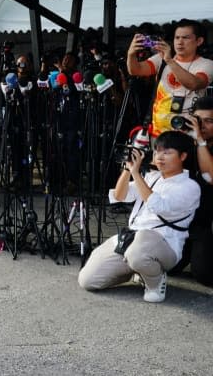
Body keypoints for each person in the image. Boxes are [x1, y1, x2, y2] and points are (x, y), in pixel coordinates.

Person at [78, 131, 200, 303]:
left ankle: (155, 282)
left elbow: (158, 207)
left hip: (165, 246)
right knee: (88, 280)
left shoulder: (190, 187)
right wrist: (128, 169)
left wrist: (136, 173)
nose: (160, 157)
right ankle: (140, 271)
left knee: (141, 244)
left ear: (183, 156)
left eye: (167, 152)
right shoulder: (152, 177)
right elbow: (120, 196)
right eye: (157, 151)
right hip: (132, 239)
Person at [127, 19, 213, 136]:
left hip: (188, 133)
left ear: (199, 41)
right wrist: (131, 54)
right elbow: (135, 70)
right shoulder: (160, 58)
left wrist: (169, 60)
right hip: (158, 133)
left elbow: (194, 84)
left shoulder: (206, 64)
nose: (180, 42)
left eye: (185, 38)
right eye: (177, 38)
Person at [170, 96, 213, 286]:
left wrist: (200, 142)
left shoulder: (199, 142)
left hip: (206, 222)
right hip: (182, 220)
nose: (201, 125)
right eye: (198, 119)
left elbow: (210, 176)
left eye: (208, 121)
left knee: (205, 275)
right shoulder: (186, 143)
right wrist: (174, 141)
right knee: (169, 267)